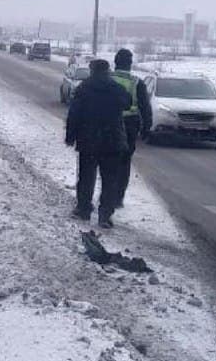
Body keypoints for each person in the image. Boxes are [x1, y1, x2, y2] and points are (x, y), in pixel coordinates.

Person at [64, 58, 131, 227]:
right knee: (110, 179)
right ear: (108, 71)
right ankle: (105, 216)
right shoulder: (116, 88)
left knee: (86, 177)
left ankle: (84, 209)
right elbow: (128, 103)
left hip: (88, 139)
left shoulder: (84, 88)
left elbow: (74, 113)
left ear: (92, 70)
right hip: (112, 140)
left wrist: (70, 136)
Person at [109, 48, 153, 209]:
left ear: (115, 62)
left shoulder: (107, 78)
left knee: (107, 160)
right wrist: (146, 128)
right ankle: (118, 197)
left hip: (107, 124)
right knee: (124, 163)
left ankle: (106, 195)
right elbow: (145, 108)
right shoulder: (137, 83)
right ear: (130, 64)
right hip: (129, 126)